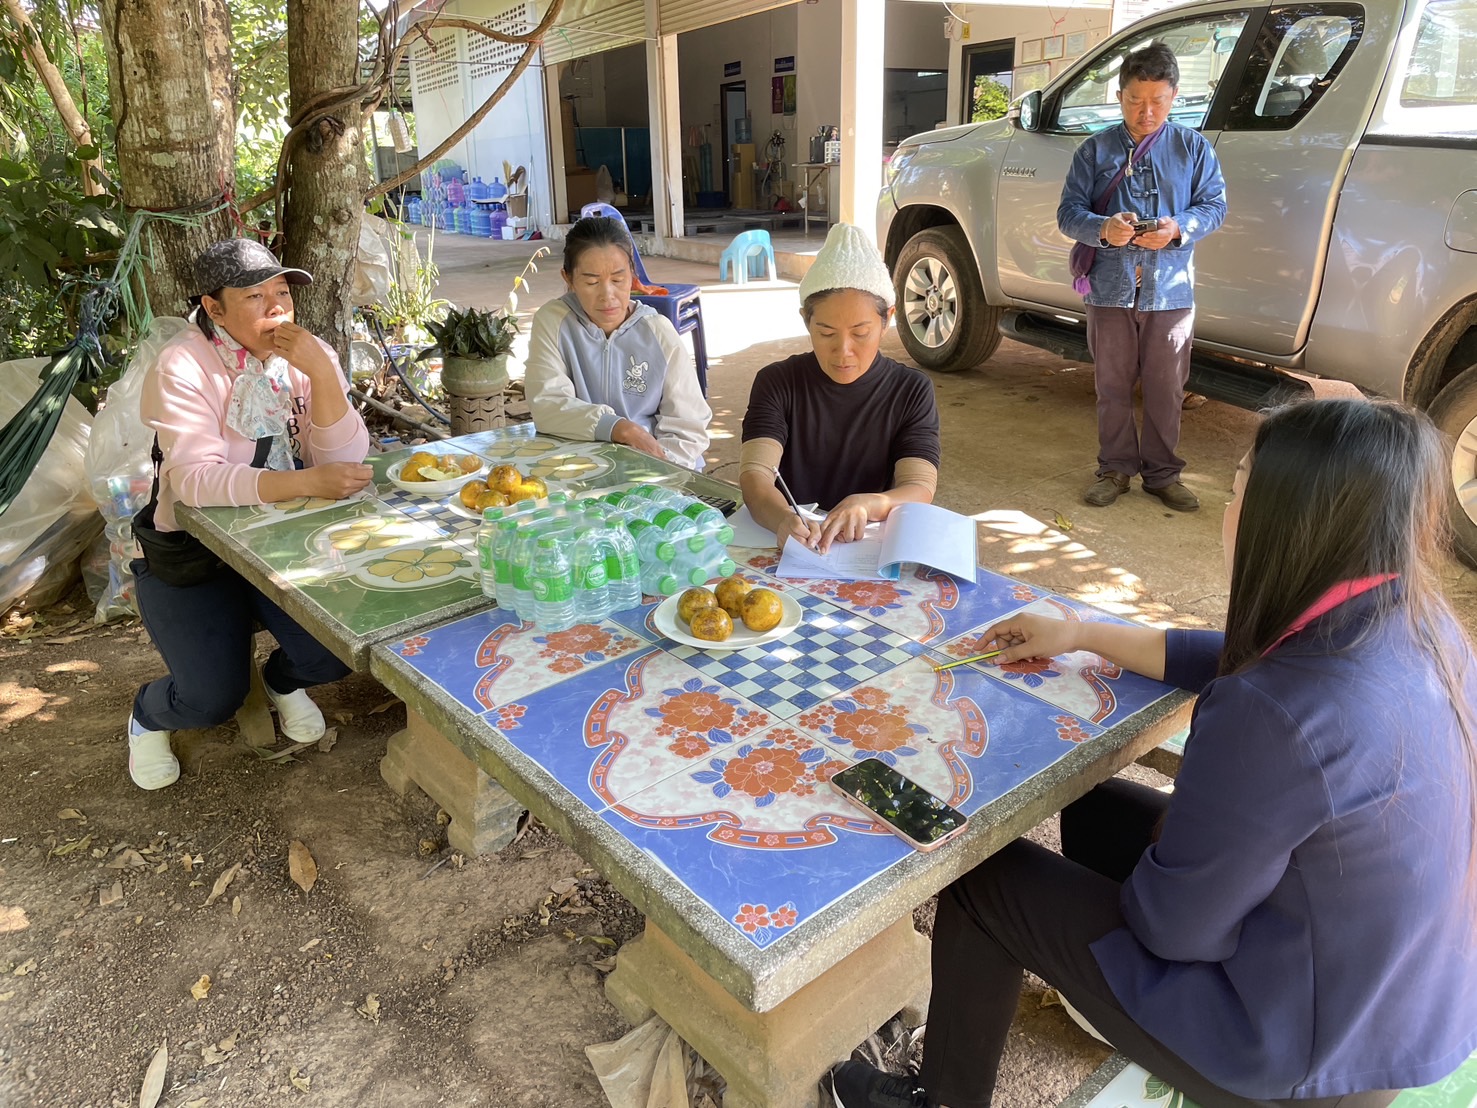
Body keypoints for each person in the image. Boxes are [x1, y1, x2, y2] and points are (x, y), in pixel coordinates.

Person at [830, 398, 1477, 1108]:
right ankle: (1102, 1004)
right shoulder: (1420, 626)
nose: (1227, 508)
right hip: (1396, 1010)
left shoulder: (1273, 714)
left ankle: (941, 1099)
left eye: (1237, 490)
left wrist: (1176, 836)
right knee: (1093, 805)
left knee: (981, 875)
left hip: (1295, 1058)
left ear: (1284, 522)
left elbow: (1174, 930)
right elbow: (1242, 660)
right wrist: (1080, 632)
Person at [127, 239, 373, 791]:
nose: (276, 308)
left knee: (334, 652)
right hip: (198, 554)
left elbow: (345, 462)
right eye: (255, 296)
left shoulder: (308, 356)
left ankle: (282, 681)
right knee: (211, 698)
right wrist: (304, 482)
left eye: (282, 292)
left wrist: (325, 377)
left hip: (286, 544)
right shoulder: (184, 364)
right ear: (214, 309)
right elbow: (192, 480)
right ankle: (148, 714)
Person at [1058, 41, 1227, 512]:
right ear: (1119, 96)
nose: (1146, 111)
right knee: (1111, 386)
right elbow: (1068, 214)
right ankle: (1114, 469)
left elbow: (1214, 206)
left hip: (1170, 291)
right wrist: (1103, 230)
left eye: (1157, 101)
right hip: (1109, 290)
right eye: (1135, 100)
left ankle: (1162, 474)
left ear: (1174, 97)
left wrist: (1179, 229)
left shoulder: (1193, 148)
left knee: (1166, 387)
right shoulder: (1094, 150)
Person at [739, 222, 940, 552]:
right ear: (806, 320)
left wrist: (869, 504)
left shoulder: (911, 391)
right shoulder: (777, 382)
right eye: (826, 333)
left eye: (861, 333)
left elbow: (919, 487)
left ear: (887, 319)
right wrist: (781, 518)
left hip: (866, 549)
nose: (843, 350)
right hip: (795, 541)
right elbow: (756, 476)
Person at [524, 215, 711, 470]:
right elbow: (547, 405)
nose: (607, 295)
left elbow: (689, 426)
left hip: (656, 468)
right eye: (591, 282)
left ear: (633, 276)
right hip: (583, 469)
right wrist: (617, 428)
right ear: (568, 278)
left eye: (617, 279)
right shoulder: (553, 321)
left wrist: (663, 470)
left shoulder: (658, 332)